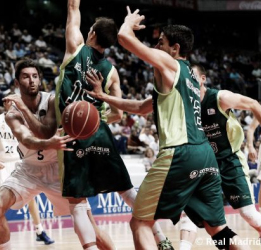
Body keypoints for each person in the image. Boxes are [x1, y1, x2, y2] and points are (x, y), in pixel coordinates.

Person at [87, 8, 248, 249]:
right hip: (205, 156)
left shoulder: (171, 64)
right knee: (218, 229)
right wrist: (104, 96)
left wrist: (129, 22)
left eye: (161, 42)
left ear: (175, 49)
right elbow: (142, 108)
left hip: (179, 154)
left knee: (140, 222)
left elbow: (123, 38)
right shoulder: (190, 79)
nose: (157, 47)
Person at [55, 1, 172, 249]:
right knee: (127, 190)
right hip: (100, 132)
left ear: (92, 33)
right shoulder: (111, 71)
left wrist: (80, 117)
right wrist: (95, 116)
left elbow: (74, 7)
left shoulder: (75, 48)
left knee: (76, 201)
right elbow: (118, 114)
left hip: (72, 134)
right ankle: (162, 238)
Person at [0, 59, 115, 250]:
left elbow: (45, 131)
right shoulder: (11, 114)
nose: (31, 81)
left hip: (59, 169)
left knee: (92, 230)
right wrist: (46, 141)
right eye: (25, 77)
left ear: (40, 80)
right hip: (28, 170)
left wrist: (27, 113)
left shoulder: (51, 100)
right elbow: (27, 140)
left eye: (35, 76)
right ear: (16, 83)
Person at [175, 64, 261, 249]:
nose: (189, 80)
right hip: (204, 162)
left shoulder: (220, 97)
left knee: (248, 213)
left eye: (193, 76)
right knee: (191, 212)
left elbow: (253, 104)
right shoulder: (184, 103)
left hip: (229, 159)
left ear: (203, 79)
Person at [0, 97, 55, 246]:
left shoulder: (21, 120)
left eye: (15, 102)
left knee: (31, 200)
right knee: (0, 200)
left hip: (19, 161)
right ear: (5, 104)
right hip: (3, 163)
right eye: (10, 102)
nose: (13, 104)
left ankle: (39, 231)